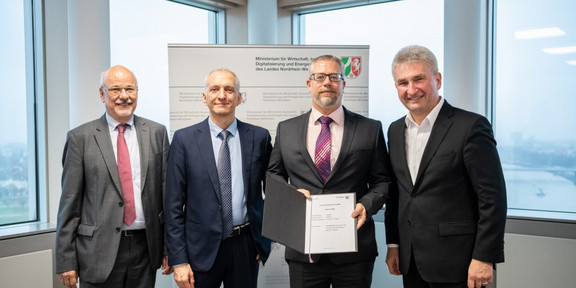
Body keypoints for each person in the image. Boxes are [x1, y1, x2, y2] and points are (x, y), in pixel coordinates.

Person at [384, 45, 507, 288]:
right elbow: (397, 193)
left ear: (437, 79)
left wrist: (484, 257)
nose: (411, 89)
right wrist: (394, 244)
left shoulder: (470, 126)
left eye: (419, 79)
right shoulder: (395, 130)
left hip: (459, 262)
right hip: (411, 261)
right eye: (403, 82)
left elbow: (492, 198)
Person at [267, 55, 393, 288]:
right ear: (309, 84)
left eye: (335, 77)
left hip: (354, 250)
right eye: (320, 77)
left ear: (344, 84)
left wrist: (366, 204)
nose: (327, 82)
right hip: (304, 250)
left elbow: (383, 181)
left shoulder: (370, 128)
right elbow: (273, 176)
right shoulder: (286, 129)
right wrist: (292, 196)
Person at [55, 65, 171, 288]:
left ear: (137, 92)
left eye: (130, 89)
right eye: (116, 89)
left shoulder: (157, 132)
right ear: (102, 94)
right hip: (97, 251)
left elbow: (166, 195)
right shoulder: (80, 138)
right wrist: (66, 259)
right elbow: (70, 204)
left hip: (145, 249)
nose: (124, 96)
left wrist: (168, 247)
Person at [165, 68, 272, 288]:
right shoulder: (184, 140)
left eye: (229, 90)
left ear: (239, 98)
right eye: (215, 89)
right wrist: (179, 260)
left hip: (245, 245)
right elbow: (173, 206)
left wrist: (264, 242)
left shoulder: (259, 137)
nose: (222, 95)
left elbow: (273, 193)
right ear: (205, 98)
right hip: (199, 249)